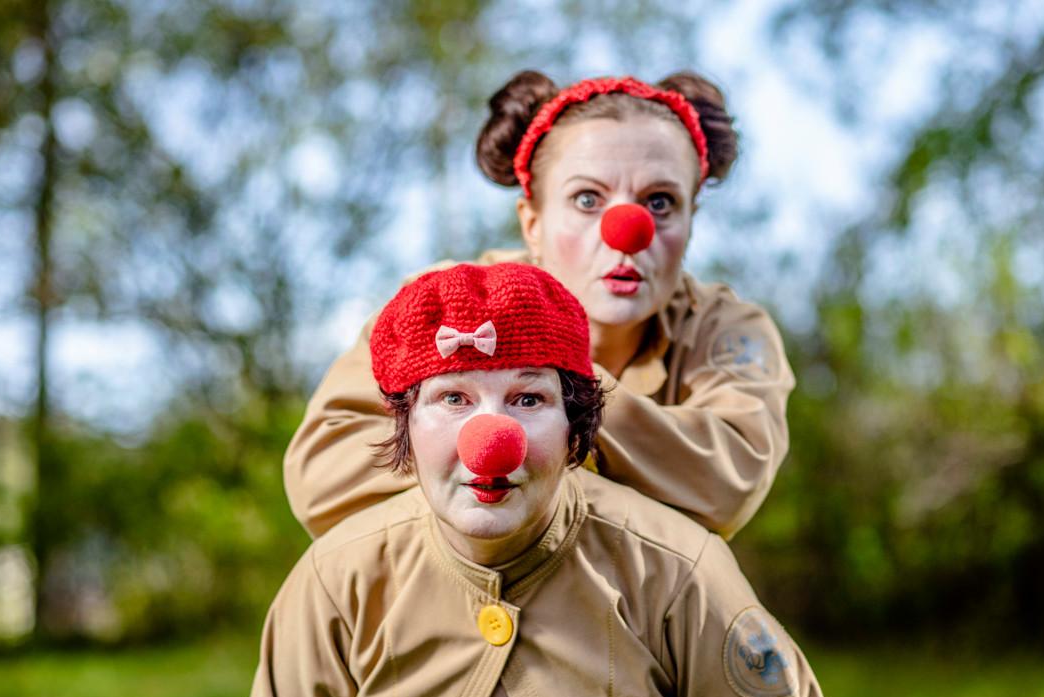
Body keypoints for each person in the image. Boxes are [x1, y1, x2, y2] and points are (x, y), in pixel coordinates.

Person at [234, 263, 857, 697]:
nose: (490, 444)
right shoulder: (333, 580)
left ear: (575, 428)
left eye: (528, 399)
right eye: (452, 399)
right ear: (405, 426)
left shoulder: (681, 572)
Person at [284, 71, 795, 543]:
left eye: (660, 201)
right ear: (532, 222)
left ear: (691, 218)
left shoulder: (728, 329)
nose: (629, 234)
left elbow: (729, 484)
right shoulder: (440, 305)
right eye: (588, 200)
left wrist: (554, 393)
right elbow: (322, 477)